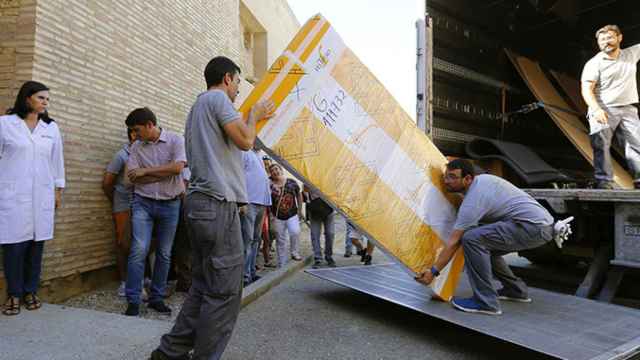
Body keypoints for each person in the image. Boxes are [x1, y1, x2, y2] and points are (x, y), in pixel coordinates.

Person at [150, 56, 274, 360]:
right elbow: (246, 141)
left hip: (202, 204)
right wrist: (254, 115)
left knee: (205, 286)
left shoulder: (198, 107)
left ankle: (169, 354)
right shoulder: (217, 99)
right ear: (228, 78)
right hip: (216, 205)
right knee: (224, 294)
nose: (238, 93)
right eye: (238, 85)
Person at [415, 159, 554, 316]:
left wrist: (433, 272)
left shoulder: (472, 202)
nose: (447, 181)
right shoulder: (483, 181)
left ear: (468, 179)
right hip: (541, 227)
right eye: (446, 176)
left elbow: (454, 242)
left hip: (530, 227)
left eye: (453, 177)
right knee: (485, 247)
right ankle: (515, 290)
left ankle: (486, 302)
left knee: (471, 239)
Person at [1, 81, 65, 316]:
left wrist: (58, 190)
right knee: (14, 248)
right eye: (41, 98)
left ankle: (30, 291)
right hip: (12, 195)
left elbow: (57, 161)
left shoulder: (50, 128)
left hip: (41, 196)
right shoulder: (5, 124)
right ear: (27, 98)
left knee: (36, 247)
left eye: (47, 99)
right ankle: (14, 294)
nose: (45, 102)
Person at [123, 107, 186, 316]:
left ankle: (156, 298)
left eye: (137, 130)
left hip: (171, 204)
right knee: (139, 249)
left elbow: (178, 168)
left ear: (150, 125)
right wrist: (163, 173)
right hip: (143, 203)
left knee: (164, 253)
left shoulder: (176, 140)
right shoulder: (136, 147)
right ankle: (133, 301)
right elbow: (130, 179)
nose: (134, 135)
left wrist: (146, 172)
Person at [581, 24, 640, 189]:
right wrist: (596, 109)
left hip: (628, 109)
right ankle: (604, 181)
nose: (606, 42)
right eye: (602, 39)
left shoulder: (631, 54)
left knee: (636, 144)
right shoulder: (594, 63)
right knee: (601, 145)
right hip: (603, 108)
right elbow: (586, 89)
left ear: (619, 38)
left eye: (609, 38)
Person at [102, 127, 136, 297]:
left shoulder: (144, 153)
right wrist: (115, 200)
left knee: (139, 243)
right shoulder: (121, 155)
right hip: (123, 204)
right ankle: (123, 282)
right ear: (133, 134)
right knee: (123, 243)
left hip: (141, 204)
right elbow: (107, 182)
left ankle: (141, 278)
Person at [241, 147, 272, 286]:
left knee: (255, 240)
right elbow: (239, 175)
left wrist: (267, 202)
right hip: (250, 202)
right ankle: (243, 277)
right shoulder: (244, 152)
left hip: (261, 203)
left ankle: (251, 272)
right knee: (247, 241)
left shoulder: (258, 155)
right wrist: (242, 201)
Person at [269, 163, 304, 267]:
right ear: (271, 174)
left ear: (281, 170)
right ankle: (281, 261)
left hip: (292, 214)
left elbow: (299, 194)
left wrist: (300, 210)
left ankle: (294, 252)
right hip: (277, 216)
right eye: (272, 171)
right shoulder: (269, 186)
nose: (275, 172)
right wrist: (271, 216)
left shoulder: (291, 182)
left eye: (276, 169)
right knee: (280, 239)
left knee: (295, 231)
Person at [304, 185, 336, 268]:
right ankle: (318, 258)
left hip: (328, 209)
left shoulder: (328, 177)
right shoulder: (309, 176)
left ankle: (329, 256)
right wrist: (308, 199)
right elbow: (305, 190)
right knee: (315, 234)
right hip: (315, 210)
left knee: (330, 233)